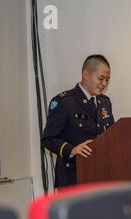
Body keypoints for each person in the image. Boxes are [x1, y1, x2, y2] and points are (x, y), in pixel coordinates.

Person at [41, 55, 115, 188]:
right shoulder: (65, 102)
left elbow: (112, 136)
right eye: (101, 78)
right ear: (85, 75)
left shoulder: (105, 103)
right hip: (72, 178)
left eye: (107, 80)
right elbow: (48, 139)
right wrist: (72, 149)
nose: (104, 84)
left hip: (100, 177)